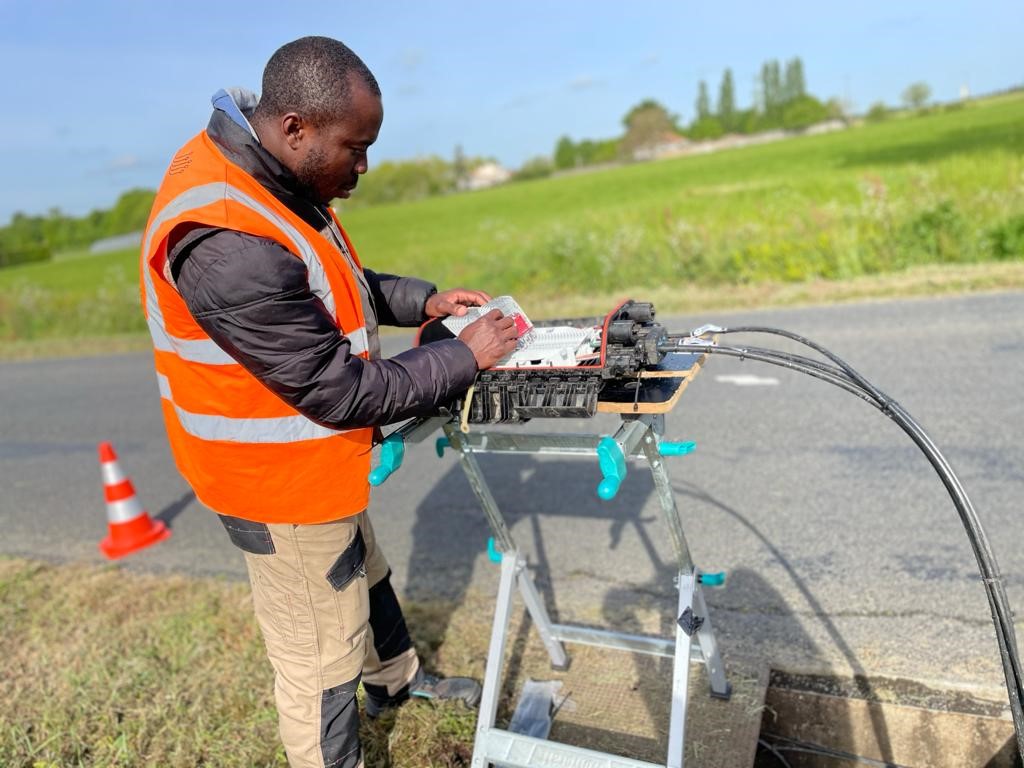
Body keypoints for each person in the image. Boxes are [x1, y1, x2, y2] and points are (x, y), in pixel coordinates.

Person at [139, 36, 518, 768]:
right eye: (357, 147)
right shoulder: (226, 237)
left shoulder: (276, 178)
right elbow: (339, 389)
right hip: (274, 485)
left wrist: (424, 302)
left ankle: (398, 686)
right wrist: (464, 356)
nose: (364, 166)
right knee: (320, 657)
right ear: (295, 129)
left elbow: (335, 280)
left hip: (313, 464)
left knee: (365, 575)